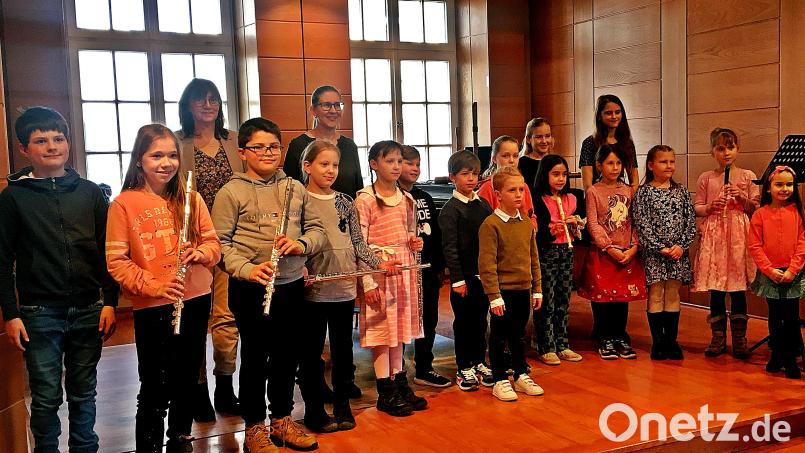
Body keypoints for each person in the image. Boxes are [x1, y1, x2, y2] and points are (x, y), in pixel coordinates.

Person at [0, 106, 118, 453]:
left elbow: (105, 250)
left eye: (58, 138)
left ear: (68, 143)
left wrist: (110, 301)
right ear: (25, 149)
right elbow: (3, 261)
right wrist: (11, 313)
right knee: (46, 393)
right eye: (40, 140)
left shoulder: (91, 192)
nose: (52, 146)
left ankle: (85, 448)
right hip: (39, 312)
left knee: (84, 392)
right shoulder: (13, 199)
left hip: (88, 308)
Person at [105, 124, 221, 452]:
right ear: (139, 160)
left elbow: (214, 244)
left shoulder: (191, 199)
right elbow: (117, 261)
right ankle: (150, 445)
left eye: (172, 155)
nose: (166, 163)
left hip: (195, 297)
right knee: (155, 383)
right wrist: (155, 285)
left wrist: (202, 253)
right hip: (152, 305)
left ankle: (180, 437)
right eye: (156, 155)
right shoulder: (123, 204)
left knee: (187, 376)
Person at [212, 117, 324, 452]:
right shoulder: (231, 192)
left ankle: (282, 419)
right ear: (243, 152)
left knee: (287, 356)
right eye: (258, 147)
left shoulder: (295, 188)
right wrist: (247, 269)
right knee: (256, 358)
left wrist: (301, 244)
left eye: (273, 146)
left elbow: (316, 230)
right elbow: (220, 244)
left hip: (289, 285)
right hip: (251, 289)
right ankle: (254, 427)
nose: (267, 153)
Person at [297, 140, 399, 432]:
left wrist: (378, 264)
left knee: (343, 353)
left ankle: (343, 406)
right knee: (311, 354)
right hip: (312, 292)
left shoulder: (345, 201)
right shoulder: (299, 200)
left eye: (335, 165)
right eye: (323, 164)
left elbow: (358, 243)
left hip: (343, 289)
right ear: (307, 166)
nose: (330, 171)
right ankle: (315, 409)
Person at [176, 77, 243, 420]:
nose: (208, 105)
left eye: (214, 99)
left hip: (233, 243)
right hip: (195, 245)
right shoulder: (178, 144)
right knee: (194, 320)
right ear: (187, 106)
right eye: (200, 100)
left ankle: (225, 385)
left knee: (225, 317)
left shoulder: (233, 142)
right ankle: (197, 389)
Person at [354, 140, 427, 417]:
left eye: (399, 161)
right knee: (382, 332)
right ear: (374, 164)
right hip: (379, 272)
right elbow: (359, 244)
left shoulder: (406, 198)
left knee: (399, 331)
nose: (397, 166)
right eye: (390, 161)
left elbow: (408, 231)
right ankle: (384, 390)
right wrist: (368, 282)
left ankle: (399, 381)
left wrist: (413, 242)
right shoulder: (365, 199)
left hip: (402, 271)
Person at [478, 166, 544, 402]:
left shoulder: (526, 223)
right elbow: (486, 265)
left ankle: (520, 373)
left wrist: (537, 289)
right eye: (512, 190)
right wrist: (494, 295)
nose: (518, 194)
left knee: (518, 335)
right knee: (498, 335)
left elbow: (533, 258)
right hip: (502, 292)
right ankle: (499, 379)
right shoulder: (491, 225)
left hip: (523, 289)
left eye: (521, 189)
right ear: (498, 195)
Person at [692, 128, 759, 359]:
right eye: (720, 148)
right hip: (716, 235)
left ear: (737, 149)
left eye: (730, 147)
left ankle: (740, 338)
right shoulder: (706, 178)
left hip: (739, 234)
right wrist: (711, 207)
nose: (726, 152)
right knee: (717, 289)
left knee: (738, 288)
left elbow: (755, 208)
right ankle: (718, 337)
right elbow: (697, 207)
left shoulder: (748, 176)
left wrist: (741, 197)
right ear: (712, 152)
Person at [579, 145, 646, 360]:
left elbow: (636, 221)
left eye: (618, 163)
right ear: (600, 165)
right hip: (604, 253)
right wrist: (609, 247)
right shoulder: (594, 191)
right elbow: (593, 222)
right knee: (603, 297)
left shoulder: (629, 190)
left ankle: (619, 336)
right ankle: (604, 337)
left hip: (627, 252)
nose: (615, 167)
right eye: (610, 163)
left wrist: (634, 247)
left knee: (622, 298)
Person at [633, 145, 697, 361]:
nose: (669, 166)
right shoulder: (643, 193)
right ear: (651, 165)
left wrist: (682, 245)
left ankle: (671, 341)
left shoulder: (681, 191)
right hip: (655, 254)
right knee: (657, 294)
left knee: (672, 293)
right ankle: (658, 342)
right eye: (663, 162)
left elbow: (690, 222)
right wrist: (659, 246)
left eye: (672, 161)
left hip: (678, 253)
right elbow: (642, 224)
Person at [438, 150, 494, 391]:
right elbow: (449, 248)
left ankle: (480, 361)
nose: (471, 178)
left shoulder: (483, 205)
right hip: (464, 277)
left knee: (481, 321)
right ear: (452, 177)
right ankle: (464, 367)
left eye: (474, 174)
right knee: (464, 323)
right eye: (464, 174)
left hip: (483, 275)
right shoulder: (450, 210)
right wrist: (458, 279)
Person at [397, 145, 452, 388]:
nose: (415, 168)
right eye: (409, 163)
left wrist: (440, 267)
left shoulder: (425, 198)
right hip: (401, 271)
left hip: (427, 270)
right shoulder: (391, 197)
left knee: (427, 320)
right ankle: (395, 373)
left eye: (418, 164)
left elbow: (436, 236)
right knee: (401, 323)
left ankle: (424, 367)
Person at [747, 165, 805, 379]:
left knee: (791, 317)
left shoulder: (798, 213)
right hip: (770, 273)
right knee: (775, 316)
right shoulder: (760, 214)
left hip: (793, 273)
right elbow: (754, 246)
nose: (784, 189)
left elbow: (802, 243)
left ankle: (790, 357)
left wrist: (792, 269)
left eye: (789, 184)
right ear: (768, 188)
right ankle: (777, 354)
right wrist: (769, 270)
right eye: (779, 184)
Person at [531, 154, 585, 365]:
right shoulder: (538, 199)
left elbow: (582, 230)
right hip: (547, 253)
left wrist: (575, 224)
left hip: (567, 251)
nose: (561, 179)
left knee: (563, 299)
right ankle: (546, 345)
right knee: (547, 300)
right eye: (555, 174)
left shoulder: (572, 198)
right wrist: (552, 230)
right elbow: (539, 234)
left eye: (563, 174)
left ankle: (562, 343)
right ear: (545, 175)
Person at [283, 85, 363, 198]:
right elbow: (289, 189)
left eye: (337, 105)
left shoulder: (350, 146)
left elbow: (357, 188)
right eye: (326, 105)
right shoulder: (298, 145)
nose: (333, 110)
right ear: (313, 110)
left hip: (346, 213)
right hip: (310, 213)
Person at [579, 94, 639, 191]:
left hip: (621, 198)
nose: (614, 116)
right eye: (609, 113)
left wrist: (628, 197)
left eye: (618, 112)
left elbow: (634, 180)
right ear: (599, 116)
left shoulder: (627, 143)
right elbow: (588, 185)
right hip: (597, 197)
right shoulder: (589, 143)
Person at [478, 136, 537, 226]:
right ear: (494, 159)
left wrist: (532, 225)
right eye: (505, 156)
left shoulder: (524, 186)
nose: (512, 160)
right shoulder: (487, 187)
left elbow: (530, 213)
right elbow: (482, 221)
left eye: (515, 156)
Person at [519, 117, 554, 189]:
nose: (544, 141)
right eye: (539, 137)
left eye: (547, 136)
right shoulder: (522, 163)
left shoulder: (556, 161)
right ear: (528, 139)